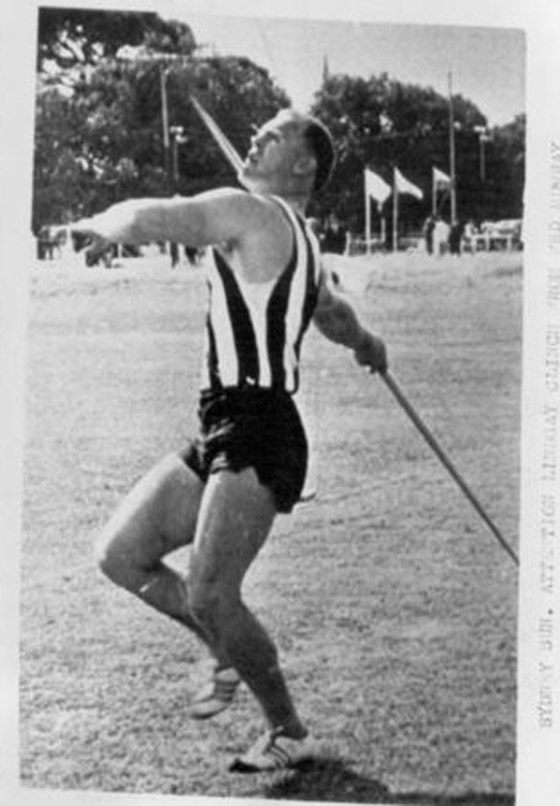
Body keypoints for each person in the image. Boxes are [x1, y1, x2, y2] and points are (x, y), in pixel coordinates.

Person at [67, 108, 387, 773]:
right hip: (221, 421)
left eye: (273, 135)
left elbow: (161, 216)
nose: (255, 138)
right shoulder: (303, 240)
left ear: (302, 165)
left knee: (212, 592)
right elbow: (331, 313)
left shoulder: (250, 210)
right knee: (121, 555)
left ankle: (288, 730)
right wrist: (367, 343)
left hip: (260, 425)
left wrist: (103, 222)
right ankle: (224, 643)